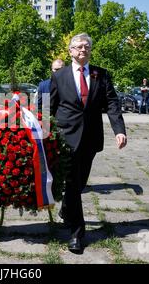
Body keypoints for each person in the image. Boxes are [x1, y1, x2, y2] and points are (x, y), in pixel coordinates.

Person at [50, 33, 127, 254]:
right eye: (78, 46)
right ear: (70, 51)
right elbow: (51, 107)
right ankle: (76, 234)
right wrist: (45, 133)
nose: (83, 49)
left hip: (91, 138)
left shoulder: (100, 74)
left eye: (87, 46)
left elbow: (112, 103)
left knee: (80, 183)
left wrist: (119, 130)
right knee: (73, 184)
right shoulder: (59, 76)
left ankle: (66, 207)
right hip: (67, 137)